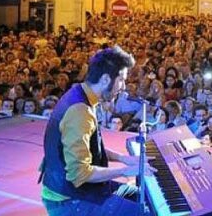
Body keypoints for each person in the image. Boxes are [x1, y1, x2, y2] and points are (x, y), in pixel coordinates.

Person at [40, 47, 148, 215]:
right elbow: (80, 174)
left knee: (145, 198)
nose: (123, 87)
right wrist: (124, 171)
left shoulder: (81, 94)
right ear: (105, 79)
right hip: (68, 201)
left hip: (83, 190)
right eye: (121, 80)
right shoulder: (79, 111)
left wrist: (123, 159)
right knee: (145, 212)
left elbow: (88, 148)